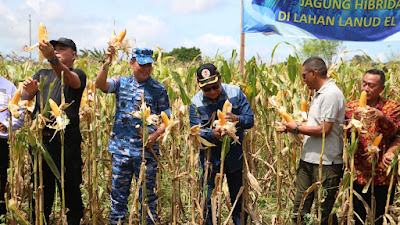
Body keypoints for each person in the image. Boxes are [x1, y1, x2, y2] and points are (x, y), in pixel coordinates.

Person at [95, 47, 171, 224]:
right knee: (118, 197)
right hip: (121, 150)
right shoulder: (121, 83)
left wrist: (156, 135)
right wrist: (106, 63)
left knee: (148, 198)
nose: (146, 68)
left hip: (146, 152)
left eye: (149, 65)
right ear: (132, 63)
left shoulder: (158, 89)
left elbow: (168, 118)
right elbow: (100, 85)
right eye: (142, 64)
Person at [21, 37, 86, 225]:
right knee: (41, 188)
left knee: (70, 188)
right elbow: (27, 96)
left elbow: (72, 82)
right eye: (54, 48)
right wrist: (28, 90)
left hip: (66, 143)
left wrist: (52, 59)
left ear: (73, 55)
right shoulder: (41, 73)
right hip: (41, 141)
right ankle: (39, 220)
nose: (56, 50)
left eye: (61, 49)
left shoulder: (78, 74)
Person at [189, 63, 254, 225]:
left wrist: (237, 119)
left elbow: (250, 120)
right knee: (209, 202)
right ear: (200, 87)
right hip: (210, 159)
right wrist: (212, 134)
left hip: (235, 156)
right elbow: (195, 131)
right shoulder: (195, 103)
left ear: (220, 79)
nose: (212, 92)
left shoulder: (235, 93)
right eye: (206, 89)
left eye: (215, 87)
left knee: (239, 200)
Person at [283, 57, 345, 224]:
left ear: (313, 73)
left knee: (323, 211)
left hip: (325, 162)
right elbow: (315, 124)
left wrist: (296, 128)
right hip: (308, 160)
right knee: (299, 208)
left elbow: (325, 129)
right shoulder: (319, 94)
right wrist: (294, 125)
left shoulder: (331, 94)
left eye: (304, 76)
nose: (303, 80)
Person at [345, 69, 400, 225]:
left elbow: (395, 132)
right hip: (358, 173)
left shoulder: (392, 107)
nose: (365, 89)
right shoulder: (350, 108)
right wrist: (351, 124)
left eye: (371, 85)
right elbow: (343, 136)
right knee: (358, 217)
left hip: (383, 175)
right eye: (363, 84)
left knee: (381, 217)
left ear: (382, 88)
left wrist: (381, 117)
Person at [0, 77, 25, 220]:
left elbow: (18, 115)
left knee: (1, 181)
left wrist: (6, 125)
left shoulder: (9, 87)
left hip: (0, 143)